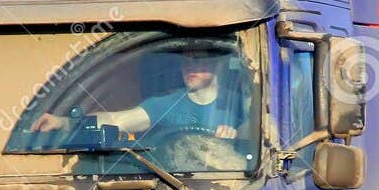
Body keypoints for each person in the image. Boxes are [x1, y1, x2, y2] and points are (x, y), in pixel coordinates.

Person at [30, 50, 241, 140]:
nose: (189, 67)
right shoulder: (167, 104)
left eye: (199, 61)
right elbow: (116, 120)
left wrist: (238, 136)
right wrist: (65, 123)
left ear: (218, 65)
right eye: (186, 62)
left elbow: (264, 136)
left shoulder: (240, 102)